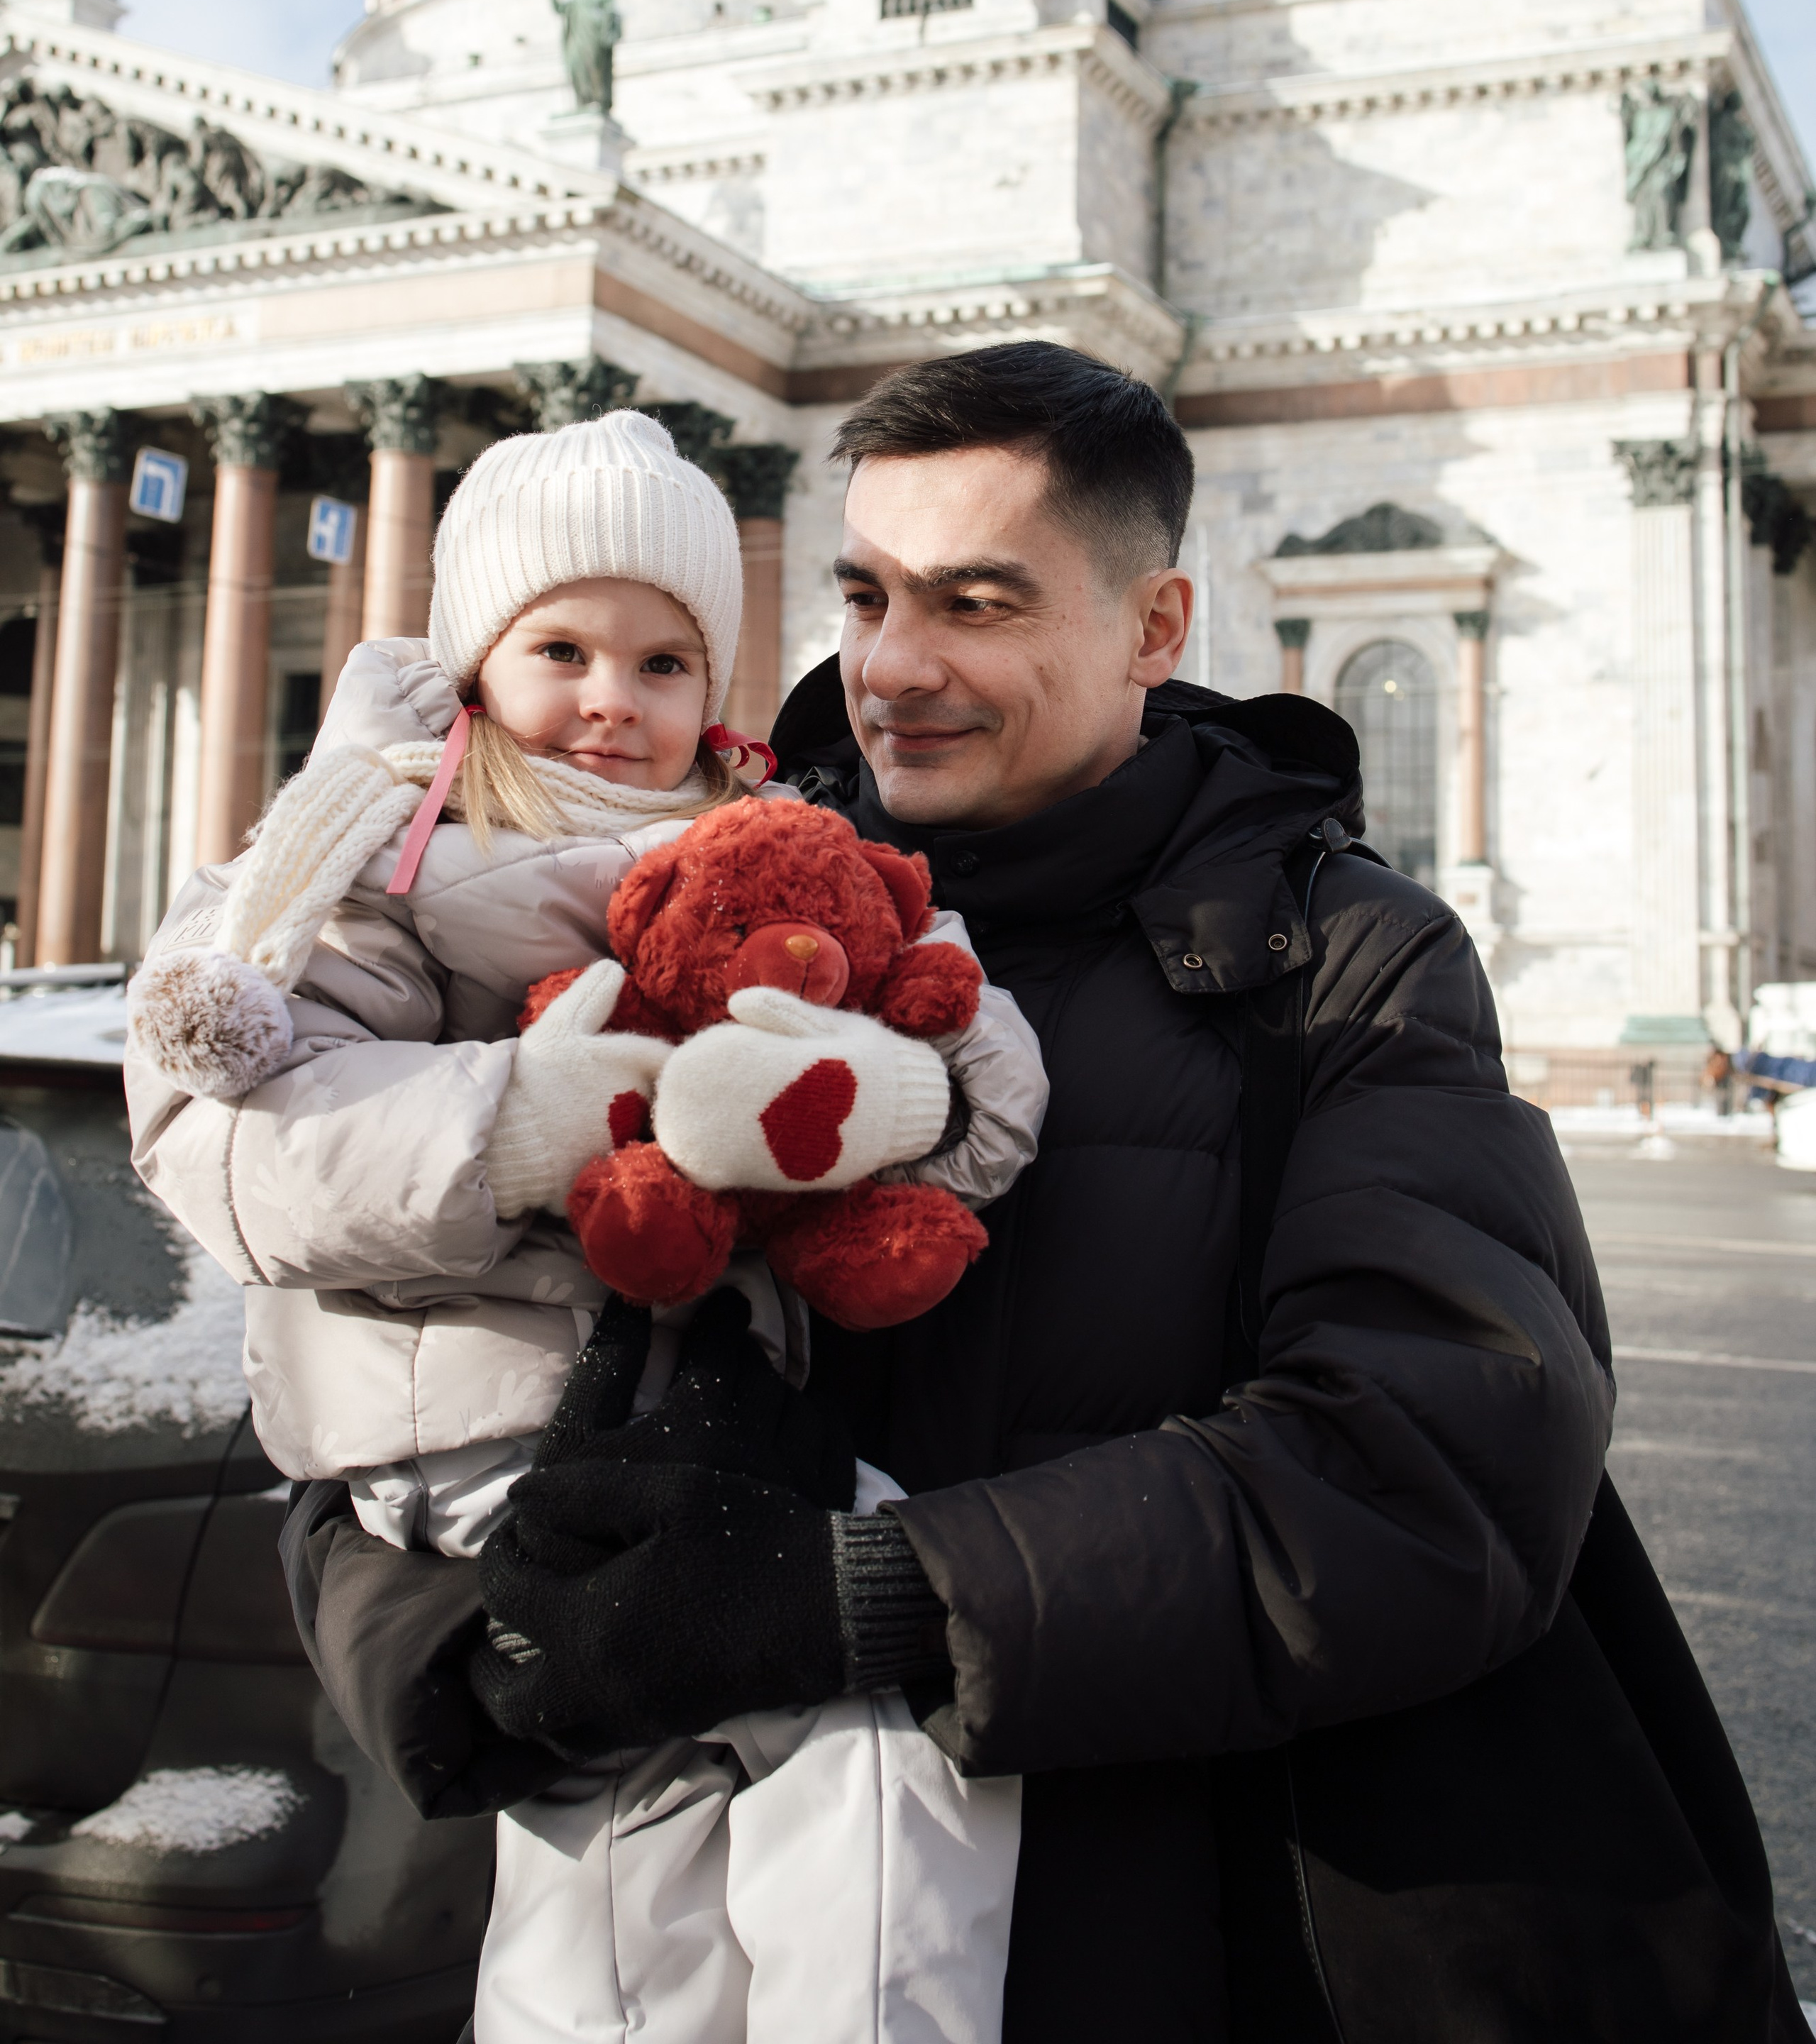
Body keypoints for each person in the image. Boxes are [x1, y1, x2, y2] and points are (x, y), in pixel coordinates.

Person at [285, 347, 1805, 2043]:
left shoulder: (1342, 962)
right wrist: (467, 1643)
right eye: (861, 594)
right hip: (732, 1931)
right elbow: (375, 1345)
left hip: (1206, 1937)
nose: (891, 667)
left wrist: (853, 1600)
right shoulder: (674, 898)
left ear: (1154, 628)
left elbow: (1435, 1461)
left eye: (977, 602)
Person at [124, 409, 1043, 2044]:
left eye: (665, 661)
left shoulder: (764, 842)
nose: (612, 698)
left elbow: (971, 1056)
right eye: (561, 646)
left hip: (689, 1404)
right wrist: (546, 1121)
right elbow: (235, 1133)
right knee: (881, 1726)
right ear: (477, 657)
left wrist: (882, 1093)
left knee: (621, 1864)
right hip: (489, 1427)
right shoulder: (370, 842)